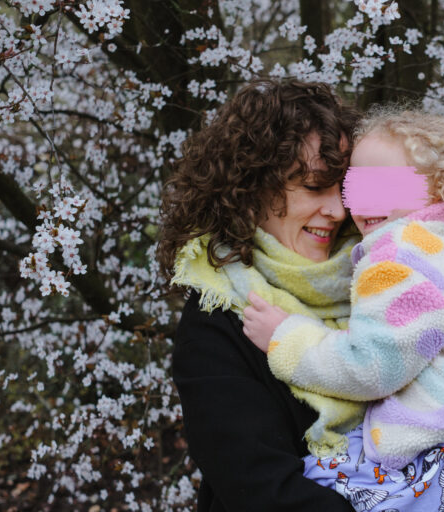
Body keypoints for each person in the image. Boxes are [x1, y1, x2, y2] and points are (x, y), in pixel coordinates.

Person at [243, 109, 444, 511]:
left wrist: (287, 340)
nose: (365, 202)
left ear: (440, 187)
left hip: (443, 443)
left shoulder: (400, 255)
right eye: (356, 187)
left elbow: (373, 367)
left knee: (315, 480)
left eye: (386, 186)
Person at [157, 79, 362, 511]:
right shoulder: (216, 323)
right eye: (314, 186)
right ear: (251, 190)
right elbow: (262, 491)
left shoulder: (387, 275)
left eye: (343, 187)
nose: (339, 210)